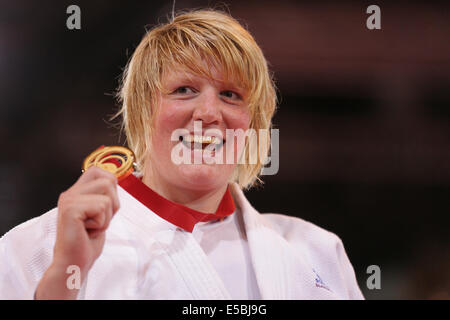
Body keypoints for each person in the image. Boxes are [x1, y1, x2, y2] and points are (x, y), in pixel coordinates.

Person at [0, 9, 364, 300]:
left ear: (253, 125)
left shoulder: (317, 251)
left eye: (231, 95)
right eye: (184, 89)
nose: (208, 112)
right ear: (144, 110)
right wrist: (66, 274)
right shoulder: (39, 246)